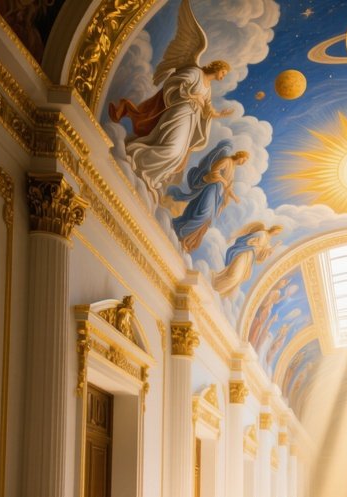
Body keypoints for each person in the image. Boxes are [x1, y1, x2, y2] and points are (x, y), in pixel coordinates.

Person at [108, 0, 233, 202]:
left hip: (191, 119)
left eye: (224, 75)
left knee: (177, 155)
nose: (222, 76)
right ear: (217, 67)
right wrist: (194, 98)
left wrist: (218, 114)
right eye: (223, 72)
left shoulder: (208, 89)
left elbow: (206, 109)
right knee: (172, 148)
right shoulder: (194, 72)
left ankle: (149, 176)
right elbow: (177, 84)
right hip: (180, 112)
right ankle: (137, 157)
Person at [169, 143, 248, 253]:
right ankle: (181, 231)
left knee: (208, 220)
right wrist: (222, 181)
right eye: (243, 160)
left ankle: (187, 241)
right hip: (212, 188)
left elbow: (228, 186)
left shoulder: (233, 169)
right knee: (205, 214)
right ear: (239, 156)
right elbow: (214, 171)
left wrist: (234, 197)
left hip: (218, 195)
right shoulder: (226, 161)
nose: (243, 163)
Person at [211, 223, 283, 297]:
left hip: (249, 259)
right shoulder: (262, 233)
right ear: (274, 229)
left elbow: (262, 255)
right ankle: (216, 288)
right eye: (277, 231)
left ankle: (216, 289)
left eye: (278, 233)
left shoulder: (268, 241)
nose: (277, 233)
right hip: (245, 253)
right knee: (235, 276)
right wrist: (255, 245)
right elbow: (247, 240)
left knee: (238, 279)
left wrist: (275, 246)